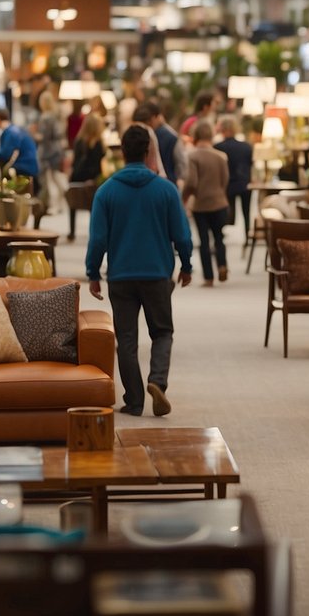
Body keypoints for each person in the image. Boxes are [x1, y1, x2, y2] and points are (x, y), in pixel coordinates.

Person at [87, 125, 193, 417]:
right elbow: (182, 235)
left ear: (122, 152)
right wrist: (186, 265)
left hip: (121, 276)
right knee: (162, 332)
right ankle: (157, 381)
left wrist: (93, 272)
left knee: (127, 340)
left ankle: (134, 401)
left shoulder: (106, 191)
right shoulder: (166, 190)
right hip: (157, 273)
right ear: (149, 152)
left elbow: (98, 239)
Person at [182, 120, 231, 286]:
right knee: (219, 238)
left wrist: (185, 197)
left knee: (203, 241)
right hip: (219, 202)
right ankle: (222, 265)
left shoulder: (193, 156)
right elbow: (225, 181)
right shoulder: (221, 156)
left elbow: (191, 182)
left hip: (200, 204)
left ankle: (209, 277)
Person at [67, 113, 108, 242]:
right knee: (93, 207)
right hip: (91, 179)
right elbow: (98, 165)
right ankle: (92, 232)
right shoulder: (99, 143)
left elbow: (75, 163)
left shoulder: (78, 141)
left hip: (76, 178)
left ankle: (72, 231)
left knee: (73, 206)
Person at [214, 116, 253, 233]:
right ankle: (247, 236)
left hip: (227, 184)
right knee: (247, 212)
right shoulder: (246, 147)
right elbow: (250, 165)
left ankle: (219, 236)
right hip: (244, 183)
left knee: (226, 213)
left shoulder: (217, 147)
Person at [34, 91, 66, 214]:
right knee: (55, 177)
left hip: (48, 151)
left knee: (47, 180)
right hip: (56, 149)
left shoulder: (45, 117)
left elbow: (44, 137)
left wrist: (34, 135)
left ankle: (48, 205)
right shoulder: (55, 115)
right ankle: (60, 202)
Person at [0, 108, 38, 178]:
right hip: (31, 165)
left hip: (25, 166)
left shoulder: (10, 132)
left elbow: (5, 154)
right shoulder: (14, 129)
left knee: (2, 173)